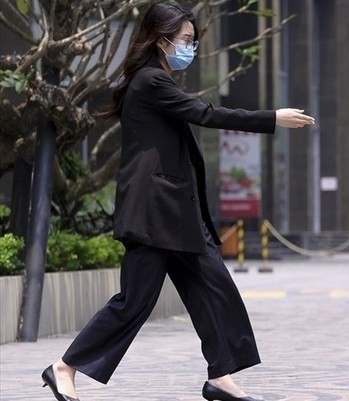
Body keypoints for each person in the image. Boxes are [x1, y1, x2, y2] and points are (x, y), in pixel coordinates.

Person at [41, 2, 314, 401]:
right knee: (134, 301)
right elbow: (206, 113)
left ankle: (220, 376)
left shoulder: (154, 81)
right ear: (160, 38)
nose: (191, 47)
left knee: (215, 289)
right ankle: (64, 367)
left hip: (178, 215)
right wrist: (272, 118)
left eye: (193, 40)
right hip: (154, 214)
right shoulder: (151, 81)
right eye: (186, 40)